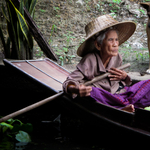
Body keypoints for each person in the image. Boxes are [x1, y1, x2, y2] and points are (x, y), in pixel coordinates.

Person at [63, 15, 150, 112]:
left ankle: (123, 105)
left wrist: (124, 77)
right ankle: (120, 109)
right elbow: (69, 82)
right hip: (104, 98)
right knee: (93, 92)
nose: (115, 44)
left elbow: (123, 83)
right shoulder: (89, 60)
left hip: (120, 95)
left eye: (116, 40)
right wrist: (75, 89)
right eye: (110, 40)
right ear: (98, 45)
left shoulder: (117, 58)